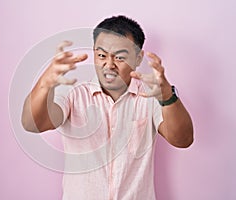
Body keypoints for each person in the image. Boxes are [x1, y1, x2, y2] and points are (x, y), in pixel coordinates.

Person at [21, 15, 193, 200]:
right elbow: (32, 124)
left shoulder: (151, 96)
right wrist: (45, 84)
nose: (108, 65)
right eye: (101, 55)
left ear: (138, 58)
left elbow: (183, 140)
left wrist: (168, 98)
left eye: (119, 57)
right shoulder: (73, 92)